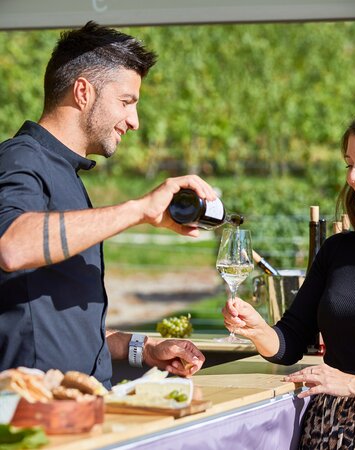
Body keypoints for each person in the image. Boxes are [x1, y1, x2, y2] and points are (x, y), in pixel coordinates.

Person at [0, 21, 213, 388]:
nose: (134, 121)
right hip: (38, 420)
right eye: (126, 102)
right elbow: (12, 245)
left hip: (84, 409)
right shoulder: (20, 159)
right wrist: (138, 210)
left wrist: (142, 348)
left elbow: (65, 325)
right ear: (83, 91)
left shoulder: (67, 173)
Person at [223, 104, 355, 448]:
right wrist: (258, 330)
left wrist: (354, 384)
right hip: (326, 431)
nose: (354, 177)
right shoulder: (338, 250)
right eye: (349, 164)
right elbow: (291, 340)